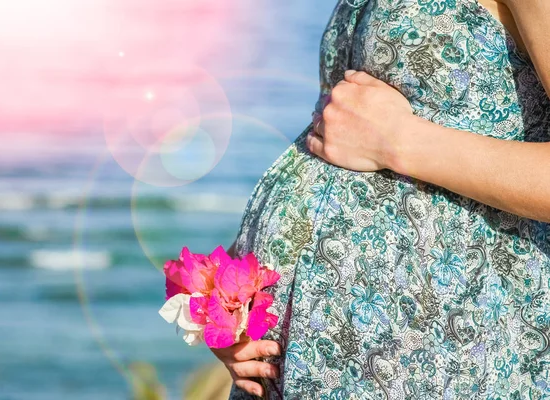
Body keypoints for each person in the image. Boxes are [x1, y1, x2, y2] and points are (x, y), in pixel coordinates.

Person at [212, 0, 550, 398]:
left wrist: (401, 143)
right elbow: (341, 135)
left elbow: (376, 136)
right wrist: (231, 299)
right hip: (295, 366)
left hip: (443, 356)